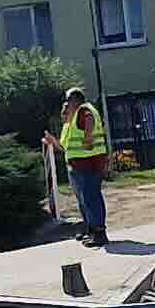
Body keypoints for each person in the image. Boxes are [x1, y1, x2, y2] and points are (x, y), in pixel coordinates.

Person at [46, 87, 111, 246]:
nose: (65, 105)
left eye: (67, 101)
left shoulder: (84, 110)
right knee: (84, 199)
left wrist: (88, 137)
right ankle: (90, 229)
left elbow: (88, 119)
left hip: (88, 163)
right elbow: (65, 147)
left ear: (75, 100)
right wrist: (53, 142)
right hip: (78, 164)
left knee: (91, 197)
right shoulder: (71, 122)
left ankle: (99, 233)